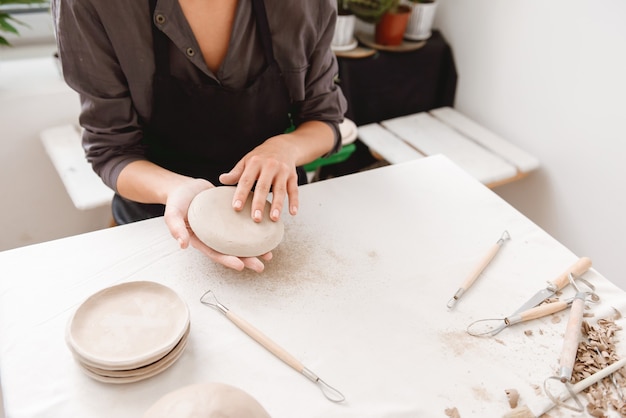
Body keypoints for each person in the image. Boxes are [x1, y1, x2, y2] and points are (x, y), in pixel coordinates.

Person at [51, 0, 348, 272]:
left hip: (271, 220)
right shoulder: (93, 5)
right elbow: (111, 150)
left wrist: (286, 147)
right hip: (154, 226)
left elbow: (324, 118)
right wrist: (174, 190)